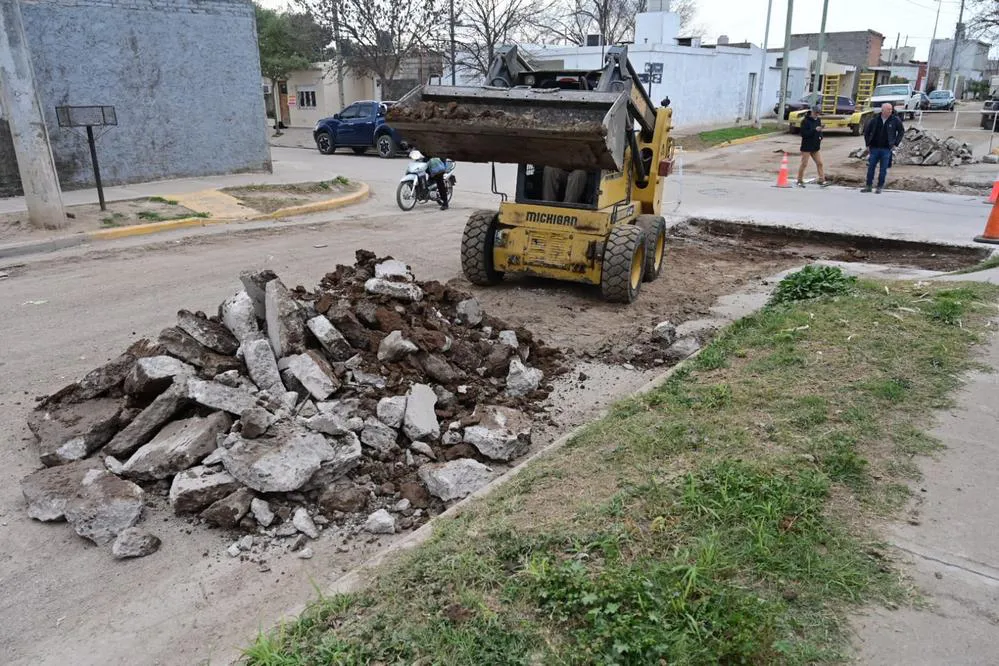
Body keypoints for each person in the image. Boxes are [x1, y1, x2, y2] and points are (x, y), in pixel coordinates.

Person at [862, 103, 905, 194]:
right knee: (871, 168)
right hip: (874, 148)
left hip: (886, 149)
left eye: (891, 109)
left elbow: (901, 131)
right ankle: (868, 186)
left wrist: (895, 143)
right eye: (888, 109)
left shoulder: (895, 120)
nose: (890, 111)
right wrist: (868, 144)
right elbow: (867, 132)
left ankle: (879, 187)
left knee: (883, 169)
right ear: (883, 110)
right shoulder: (875, 120)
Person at [797, 105, 828, 187]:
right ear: (812, 112)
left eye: (818, 113)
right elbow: (804, 134)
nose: (817, 115)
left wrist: (821, 135)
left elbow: (819, 130)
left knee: (820, 163)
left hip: (815, 146)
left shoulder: (818, 120)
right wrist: (814, 130)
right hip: (806, 146)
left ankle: (822, 180)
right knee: (804, 164)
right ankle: (799, 180)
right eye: (816, 113)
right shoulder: (805, 121)